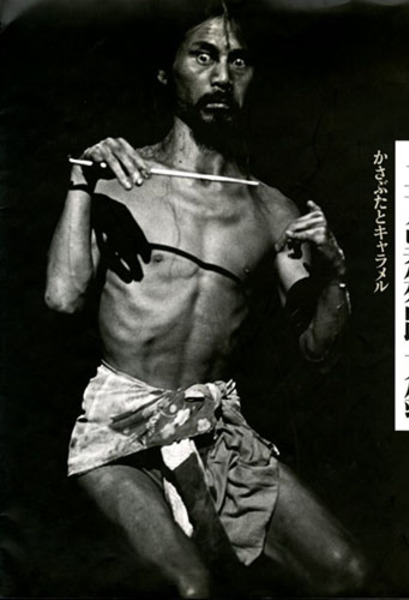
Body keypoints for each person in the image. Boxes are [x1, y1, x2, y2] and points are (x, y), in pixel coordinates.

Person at [45, 7, 366, 598]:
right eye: (204, 56)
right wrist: (80, 183)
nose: (222, 75)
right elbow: (63, 298)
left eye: (238, 61)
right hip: (121, 427)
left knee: (345, 571)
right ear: (167, 73)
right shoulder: (115, 180)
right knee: (191, 588)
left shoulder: (272, 209)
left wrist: (336, 274)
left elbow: (317, 346)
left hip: (216, 427)